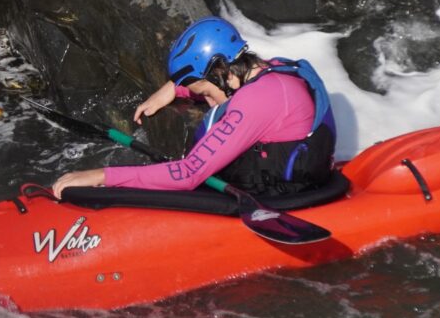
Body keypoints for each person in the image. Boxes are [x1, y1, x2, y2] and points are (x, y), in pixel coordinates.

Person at [52, 16, 336, 197]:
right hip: (297, 171)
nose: (208, 103)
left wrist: (101, 176)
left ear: (221, 71)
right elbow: (214, 87)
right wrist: (173, 89)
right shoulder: (270, 71)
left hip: (285, 193)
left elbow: (187, 174)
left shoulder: (256, 101)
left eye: (206, 93)